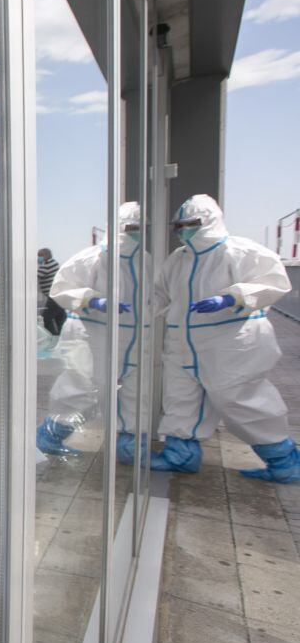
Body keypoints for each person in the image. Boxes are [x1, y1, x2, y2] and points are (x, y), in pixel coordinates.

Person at [152, 194, 299, 483]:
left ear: (208, 221)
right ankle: (180, 455)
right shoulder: (177, 260)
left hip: (231, 343)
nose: (184, 230)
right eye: (179, 225)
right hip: (182, 344)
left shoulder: (239, 251)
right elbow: (159, 295)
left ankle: (283, 460)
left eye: (190, 224)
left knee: (243, 401)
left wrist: (231, 297)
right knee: (180, 399)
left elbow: (274, 282)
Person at [36, 202, 144, 460]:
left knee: (131, 393)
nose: (133, 233)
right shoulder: (92, 258)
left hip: (130, 337)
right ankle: (51, 436)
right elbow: (61, 288)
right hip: (91, 331)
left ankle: (126, 445)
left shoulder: (144, 261)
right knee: (82, 387)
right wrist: (92, 300)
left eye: (138, 229)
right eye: (128, 228)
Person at [38, 248, 66, 336]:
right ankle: (59, 336)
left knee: (46, 318)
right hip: (58, 295)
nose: (39, 258)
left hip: (54, 295)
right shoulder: (53, 263)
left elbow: (36, 275)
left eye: (40, 256)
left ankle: (53, 337)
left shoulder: (48, 265)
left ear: (46, 255)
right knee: (60, 316)